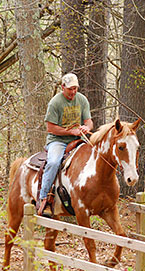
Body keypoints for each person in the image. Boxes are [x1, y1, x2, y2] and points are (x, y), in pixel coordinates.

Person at [36, 73, 93, 217]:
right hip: (58, 141)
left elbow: (89, 121)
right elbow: (51, 128)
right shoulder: (55, 102)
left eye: (75, 88)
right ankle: (44, 199)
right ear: (63, 87)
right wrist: (71, 132)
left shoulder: (82, 100)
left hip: (78, 139)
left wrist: (87, 128)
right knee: (54, 162)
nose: (73, 92)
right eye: (70, 89)